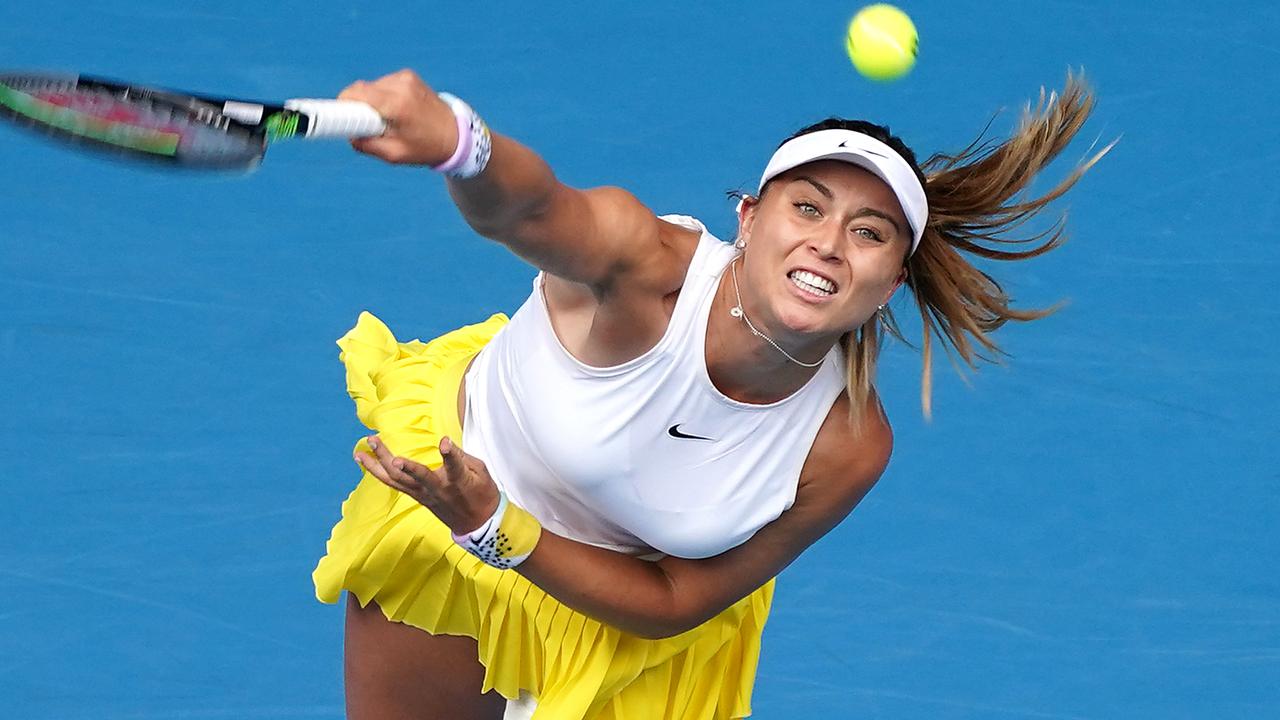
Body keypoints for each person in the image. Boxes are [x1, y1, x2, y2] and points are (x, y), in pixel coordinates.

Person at [312, 68, 1108, 720]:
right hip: (452, 532)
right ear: (750, 217)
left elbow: (673, 598)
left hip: (625, 626)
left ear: (892, 280)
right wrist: (461, 142)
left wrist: (498, 527)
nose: (828, 243)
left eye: (869, 232)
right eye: (807, 207)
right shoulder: (642, 266)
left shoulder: (847, 445)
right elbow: (534, 207)